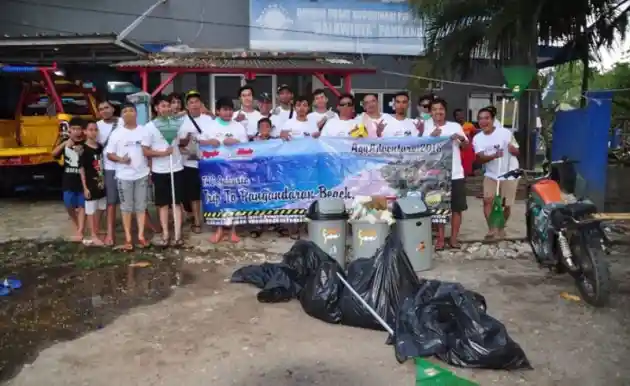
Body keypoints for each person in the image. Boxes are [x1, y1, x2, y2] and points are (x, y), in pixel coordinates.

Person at [199, 97, 248, 244]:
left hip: (234, 168)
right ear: (218, 111)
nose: (228, 113)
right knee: (218, 198)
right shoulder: (210, 126)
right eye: (225, 109)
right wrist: (210, 142)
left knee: (233, 198)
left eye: (230, 110)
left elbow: (247, 147)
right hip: (215, 169)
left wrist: (237, 142)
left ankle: (232, 230)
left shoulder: (238, 127)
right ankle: (219, 229)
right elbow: (200, 141)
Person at [423, 98, 469, 250]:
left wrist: (461, 138)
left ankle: (454, 239)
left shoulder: (454, 126)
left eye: (441, 109)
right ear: (430, 112)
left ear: (445, 111)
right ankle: (441, 239)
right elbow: (422, 151)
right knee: (438, 208)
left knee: (457, 208)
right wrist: (432, 138)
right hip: (437, 174)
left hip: (455, 174)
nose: (438, 112)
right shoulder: (426, 129)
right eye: (434, 109)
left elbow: (466, 146)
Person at [106, 103, 150, 251]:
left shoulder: (144, 131)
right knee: (126, 207)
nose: (128, 113)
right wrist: (121, 160)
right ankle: (128, 238)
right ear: (121, 115)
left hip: (142, 174)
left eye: (131, 110)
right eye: (125, 111)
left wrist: (150, 171)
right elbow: (109, 154)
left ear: (136, 113)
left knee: (141, 206)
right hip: (124, 175)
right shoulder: (117, 133)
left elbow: (148, 151)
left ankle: (141, 236)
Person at [142, 96, 185, 247]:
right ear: (156, 108)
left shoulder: (176, 124)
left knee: (177, 203)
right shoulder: (149, 127)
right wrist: (163, 154)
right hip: (159, 170)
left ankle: (178, 235)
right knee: (163, 204)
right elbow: (145, 151)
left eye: (168, 106)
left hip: (177, 168)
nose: (166, 109)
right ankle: (166, 234)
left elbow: (179, 143)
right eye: (163, 106)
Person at [473, 107, 520, 240]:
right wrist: (494, 155)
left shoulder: (505, 133)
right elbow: (480, 158)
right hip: (491, 173)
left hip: (509, 172)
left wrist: (512, 150)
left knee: (506, 205)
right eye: (480, 118)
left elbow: (517, 152)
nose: (483, 121)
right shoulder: (477, 138)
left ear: (493, 120)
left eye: (486, 118)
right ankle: (492, 229)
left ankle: (501, 227)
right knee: (487, 200)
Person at [178, 90, 212, 234]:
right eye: (191, 102)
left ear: (201, 103)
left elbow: (217, 136)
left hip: (208, 162)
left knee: (209, 192)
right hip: (189, 163)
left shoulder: (209, 120)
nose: (194, 105)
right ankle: (197, 221)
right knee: (193, 194)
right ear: (187, 105)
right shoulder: (181, 121)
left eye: (197, 101)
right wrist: (184, 143)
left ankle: (212, 219)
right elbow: (177, 143)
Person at [52, 117, 86, 242]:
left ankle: (80, 230)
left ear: (83, 130)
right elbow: (53, 154)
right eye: (73, 129)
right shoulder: (66, 142)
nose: (76, 131)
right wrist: (64, 144)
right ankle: (78, 225)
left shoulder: (86, 143)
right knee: (68, 205)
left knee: (82, 206)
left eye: (79, 129)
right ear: (69, 130)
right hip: (68, 179)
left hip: (82, 180)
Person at [96, 100, 122, 246]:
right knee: (111, 202)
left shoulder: (122, 121)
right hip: (109, 167)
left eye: (106, 107)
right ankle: (110, 234)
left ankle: (145, 229)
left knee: (132, 201)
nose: (104, 111)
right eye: (101, 109)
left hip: (127, 166)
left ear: (113, 108)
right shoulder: (97, 126)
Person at [79, 120, 106, 246]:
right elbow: (82, 169)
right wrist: (85, 187)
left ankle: (97, 229)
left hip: (101, 182)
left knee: (101, 207)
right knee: (90, 210)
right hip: (90, 184)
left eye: (95, 129)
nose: (93, 132)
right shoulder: (83, 149)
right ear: (84, 131)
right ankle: (93, 235)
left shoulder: (100, 147)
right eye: (90, 129)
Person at [453, 108, 476, 177]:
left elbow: (474, 136)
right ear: (454, 117)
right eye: (457, 115)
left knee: (466, 168)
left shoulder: (470, 126)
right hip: (457, 149)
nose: (460, 117)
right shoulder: (453, 126)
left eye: (461, 115)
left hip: (467, 150)